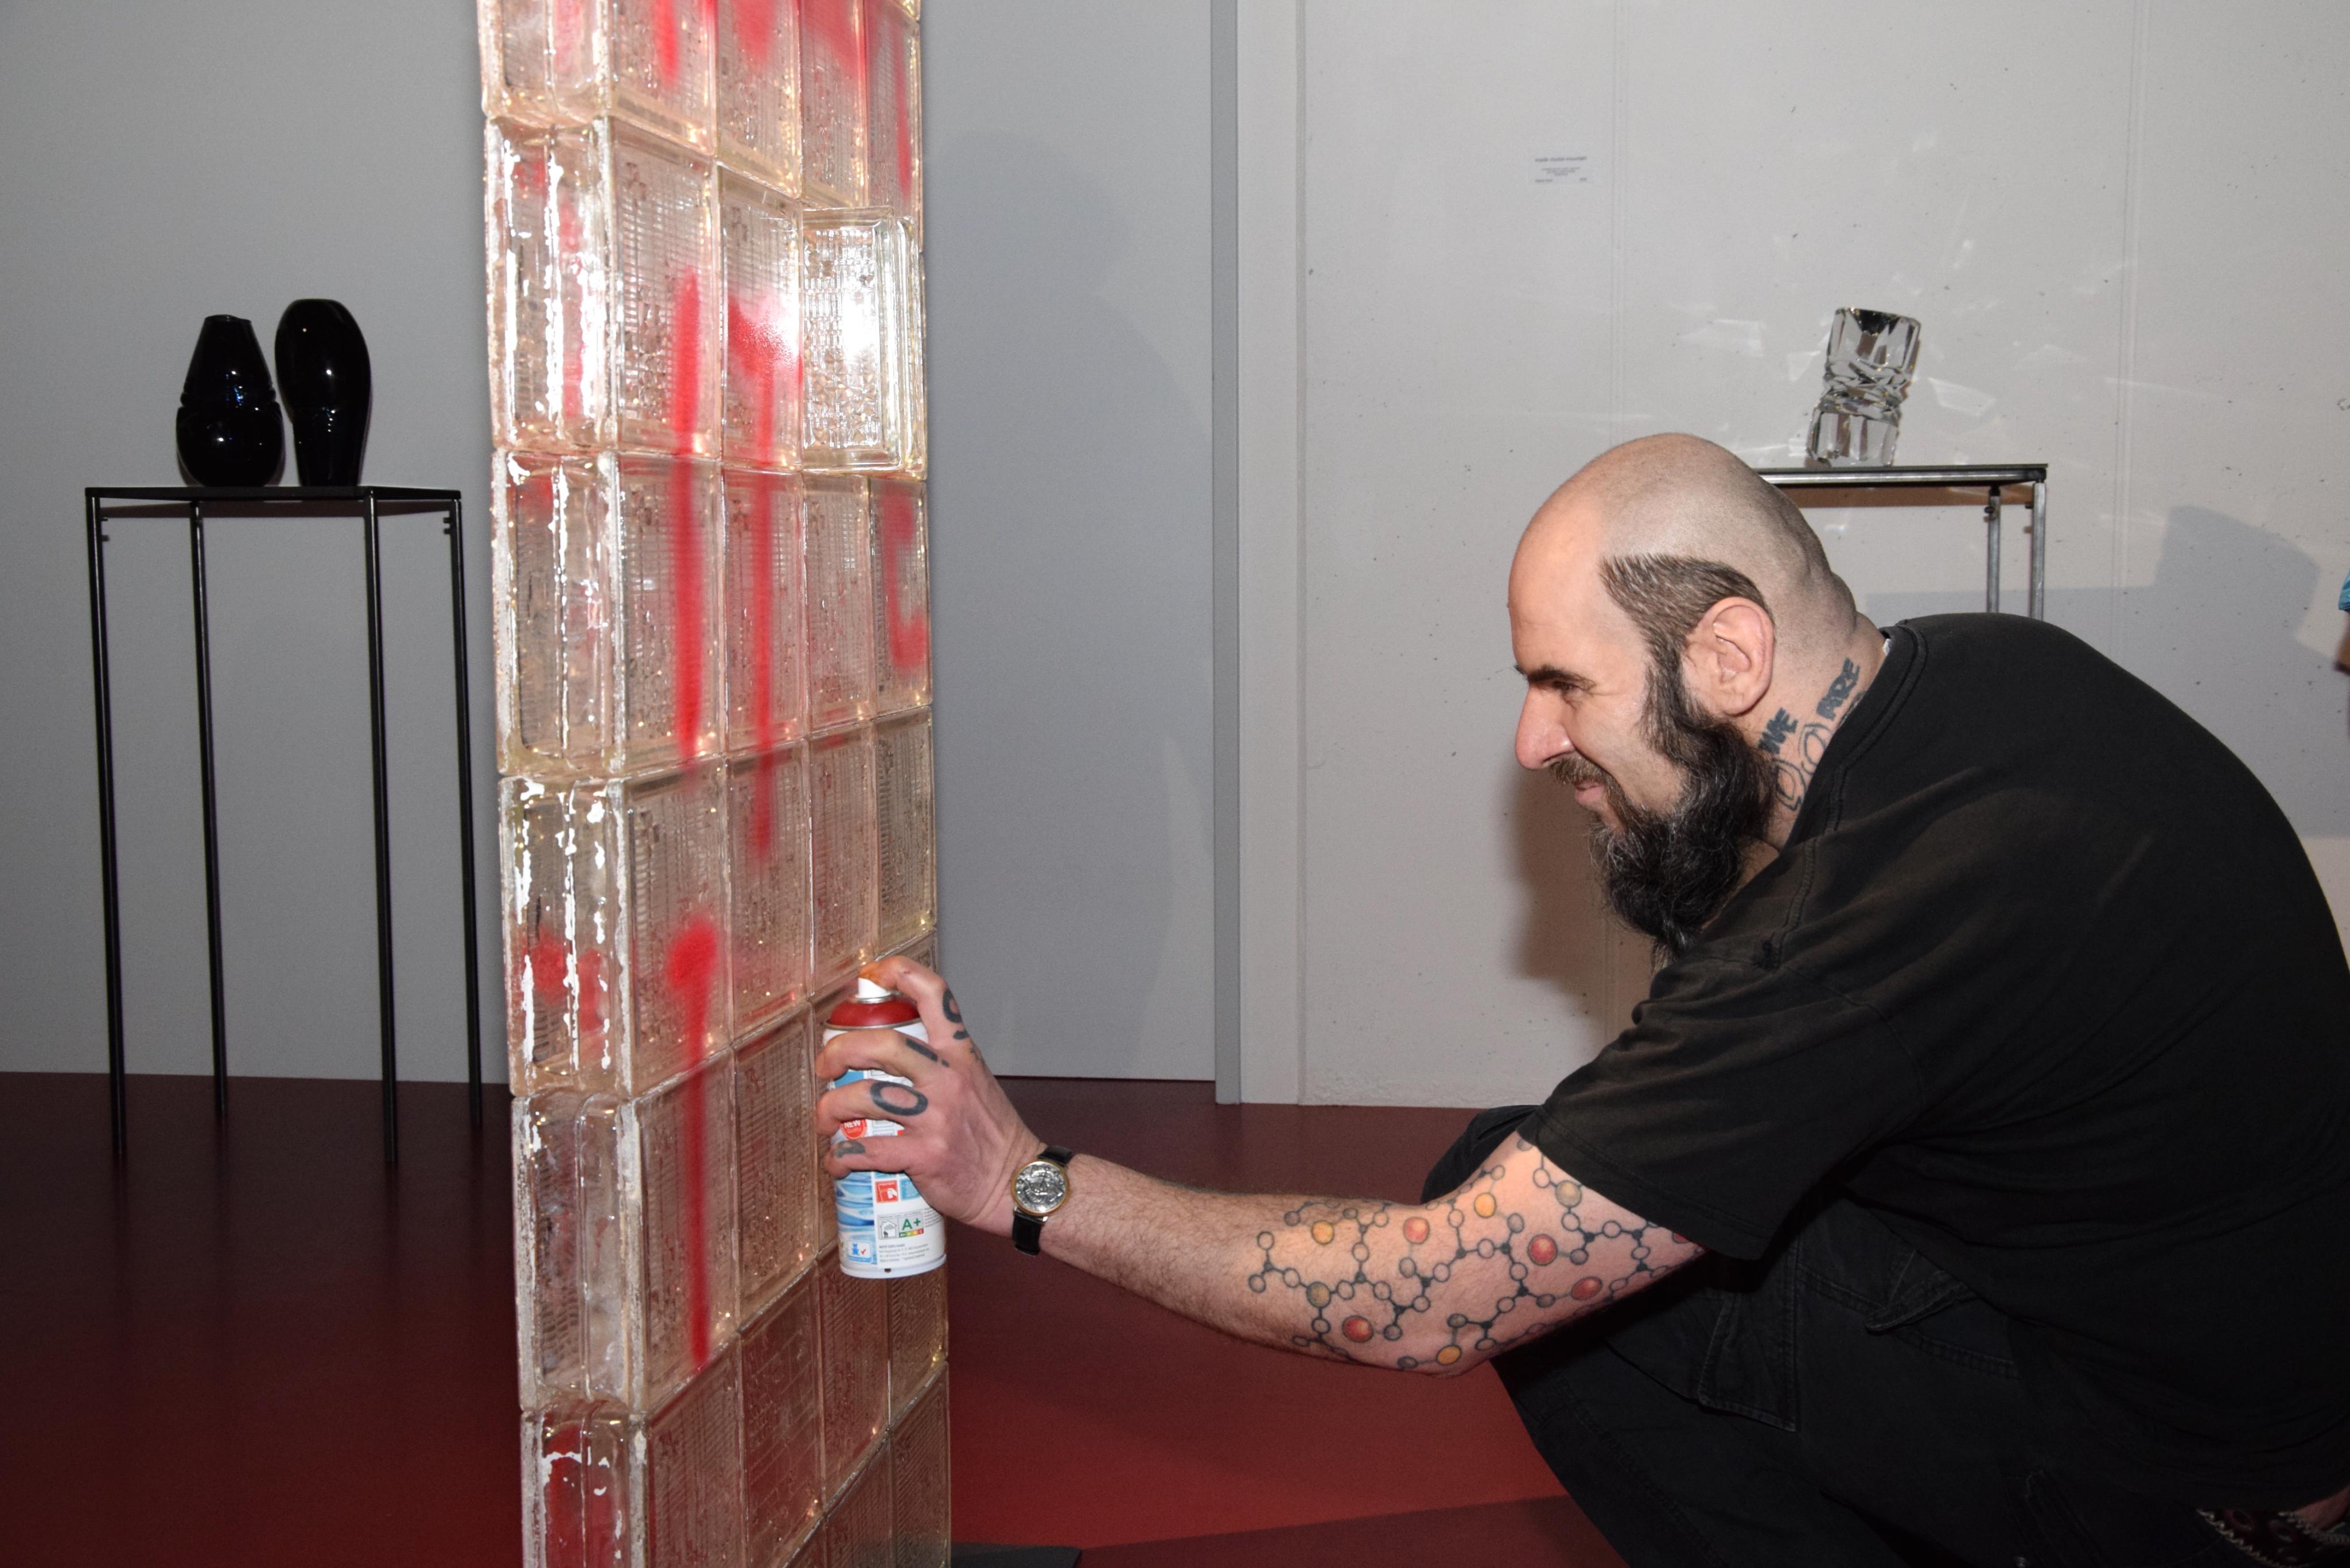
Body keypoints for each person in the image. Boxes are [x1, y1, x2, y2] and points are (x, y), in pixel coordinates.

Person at [818, 434, 2350, 1567]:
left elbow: (1428, 1299)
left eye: (1564, 684)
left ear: (1729, 656)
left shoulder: (1868, 929)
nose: (1533, 743)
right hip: (2255, 1390)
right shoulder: (1989, 678)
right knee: (1560, 1167)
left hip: (2213, 1513)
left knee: (1558, 1280)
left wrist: (1019, 1181)